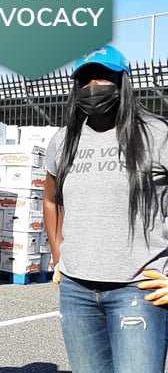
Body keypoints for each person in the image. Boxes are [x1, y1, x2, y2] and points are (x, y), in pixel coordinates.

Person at [43, 45, 168, 372]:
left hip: (138, 289)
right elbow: (52, 199)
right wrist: (58, 255)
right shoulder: (63, 141)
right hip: (76, 292)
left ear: (123, 81)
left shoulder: (157, 135)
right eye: (84, 80)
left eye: (103, 76)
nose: (93, 86)